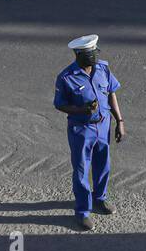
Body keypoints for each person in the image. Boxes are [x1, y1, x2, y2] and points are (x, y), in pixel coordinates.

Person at [53, 34, 126, 230]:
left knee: (103, 165)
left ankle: (99, 200)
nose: (94, 56)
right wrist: (81, 110)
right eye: (89, 53)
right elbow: (59, 105)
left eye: (95, 51)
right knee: (81, 170)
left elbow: (111, 93)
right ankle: (82, 211)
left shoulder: (102, 68)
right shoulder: (66, 78)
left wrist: (119, 121)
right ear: (78, 54)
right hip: (81, 129)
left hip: (103, 126)